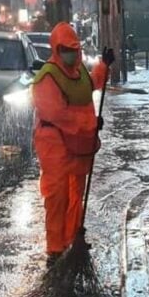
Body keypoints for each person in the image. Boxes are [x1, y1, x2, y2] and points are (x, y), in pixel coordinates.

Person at [32, 22, 115, 265]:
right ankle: (55, 248)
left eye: (74, 49)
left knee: (76, 193)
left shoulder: (78, 74)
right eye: (66, 49)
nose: (71, 53)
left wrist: (104, 65)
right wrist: (91, 124)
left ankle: (73, 237)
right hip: (54, 145)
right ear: (56, 49)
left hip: (77, 145)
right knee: (57, 196)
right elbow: (59, 114)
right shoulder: (47, 77)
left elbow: (93, 83)